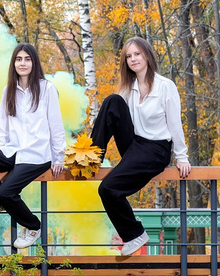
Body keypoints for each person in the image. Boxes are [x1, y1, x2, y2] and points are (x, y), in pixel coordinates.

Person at [81, 37, 189, 257]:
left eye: (137, 54)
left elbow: (174, 124)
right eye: (129, 56)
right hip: (135, 145)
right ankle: (90, 157)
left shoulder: (165, 86)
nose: (133, 59)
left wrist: (182, 156)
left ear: (147, 55)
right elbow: (113, 119)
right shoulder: (128, 89)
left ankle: (134, 234)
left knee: (107, 189)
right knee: (112, 101)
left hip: (156, 150)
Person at [0, 43, 69, 251]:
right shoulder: (8, 90)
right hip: (13, 149)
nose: (22, 63)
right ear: (13, 63)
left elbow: (56, 124)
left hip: (37, 154)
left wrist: (58, 157)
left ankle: (33, 226)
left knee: (7, 192)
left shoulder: (47, 89)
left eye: (27, 59)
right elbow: (2, 123)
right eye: (18, 59)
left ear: (34, 63)